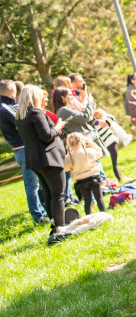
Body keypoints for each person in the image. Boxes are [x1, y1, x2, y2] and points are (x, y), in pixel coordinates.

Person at [15, 85, 70, 245]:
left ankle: (55, 224)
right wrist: (58, 127)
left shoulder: (21, 115)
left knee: (48, 193)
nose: (45, 99)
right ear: (34, 97)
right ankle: (60, 228)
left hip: (35, 160)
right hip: (49, 159)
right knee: (58, 194)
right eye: (42, 96)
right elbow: (46, 136)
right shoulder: (36, 113)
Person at [0, 79, 47, 223]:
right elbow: (21, 121)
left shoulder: (5, 106)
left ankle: (43, 210)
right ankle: (38, 216)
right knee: (32, 185)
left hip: (20, 149)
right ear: (13, 91)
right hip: (23, 148)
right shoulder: (5, 108)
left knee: (37, 182)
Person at [69, 73, 125, 183]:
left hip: (92, 125)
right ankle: (103, 180)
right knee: (95, 156)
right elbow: (83, 112)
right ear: (73, 83)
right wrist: (96, 120)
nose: (83, 82)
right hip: (87, 127)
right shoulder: (73, 96)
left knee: (102, 152)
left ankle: (108, 178)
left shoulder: (82, 93)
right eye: (80, 80)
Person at [65, 132, 106, 215]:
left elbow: (66, 168)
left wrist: (68, 152)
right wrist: (91, 143)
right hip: (94, 177)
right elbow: (99, 153)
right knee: (99, 198)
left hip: (81, 181)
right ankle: (104, 214)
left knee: (87, 201)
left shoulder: (69, 157)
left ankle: (89, 217)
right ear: (82, 141)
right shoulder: (88, 151)